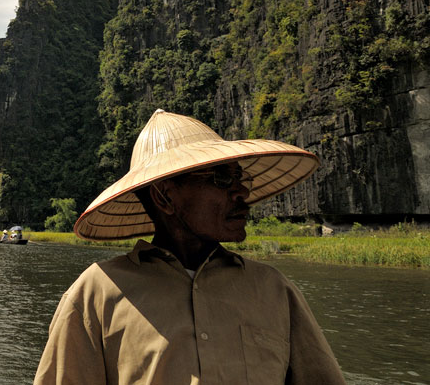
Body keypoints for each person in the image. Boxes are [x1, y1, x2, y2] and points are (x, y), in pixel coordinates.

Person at [34, 109, 346, 384]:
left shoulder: (274, 289)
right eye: (223, 178)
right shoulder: (96, 295)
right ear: (165, 196)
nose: (241, 193)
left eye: (240, 178)